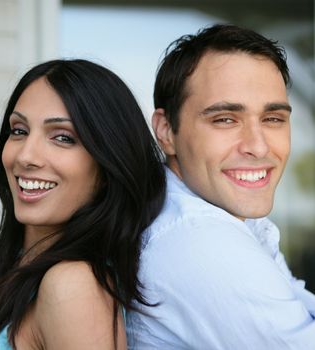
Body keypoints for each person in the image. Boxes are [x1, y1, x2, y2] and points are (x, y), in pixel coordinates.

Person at [0, 59, 166, 349]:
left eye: (62, 137)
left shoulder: (73, 284)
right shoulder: (14, 263)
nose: (25, 156)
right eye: (19, 130)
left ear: (108, 164)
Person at [126, 24, 315, 349]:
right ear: (166, 130)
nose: (258, 147)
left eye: (272, 119)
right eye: (225, 119)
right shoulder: (200, 241)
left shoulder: (225, 218)